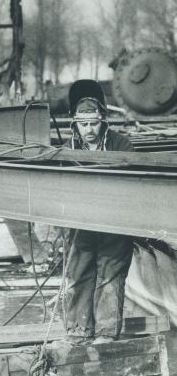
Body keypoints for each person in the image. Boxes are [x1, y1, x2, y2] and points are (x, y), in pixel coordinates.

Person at [64, 79, 134, 345]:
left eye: (94, 124)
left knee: (110, 276)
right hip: (83, 223)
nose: (89, 130)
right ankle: (78, 332)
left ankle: (105, 334)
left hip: (115, 223)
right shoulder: (69, 149)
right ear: (75, 124)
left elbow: (133, 180)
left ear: (103, 121)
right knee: (79, 273)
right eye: (83, 125)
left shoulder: (121, 145)